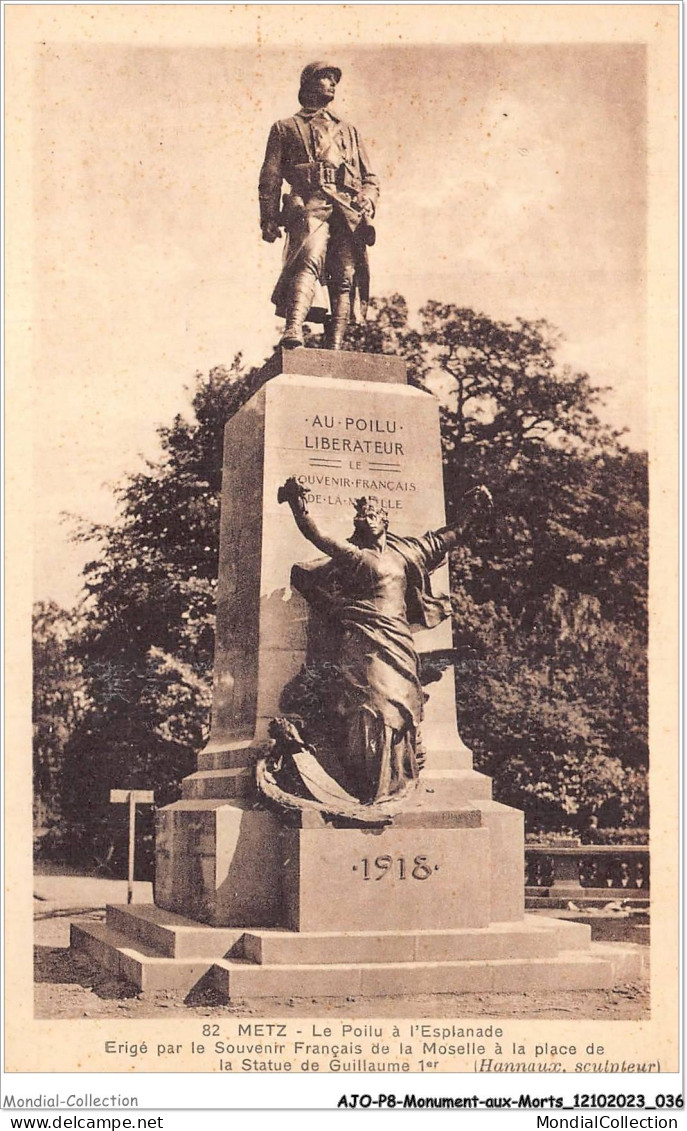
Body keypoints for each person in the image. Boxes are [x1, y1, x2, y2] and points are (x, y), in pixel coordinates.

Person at [278, 478, 493, 805]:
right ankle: (371, 787)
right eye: (362, 516)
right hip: (365, 645)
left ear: (385, 521)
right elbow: (316, 535)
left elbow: (446, 538)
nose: (367, 518)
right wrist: (297, 501)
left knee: (402, 707)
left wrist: (472, 514)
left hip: (400, 644)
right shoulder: (354, 556)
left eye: (374, 513)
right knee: (374, 708)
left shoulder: (407, 553)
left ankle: (400, 783)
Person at [259, 62, 380, 350]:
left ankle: (336, 344)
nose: (332, 83)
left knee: (345, 274)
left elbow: (371, 178)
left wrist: (368, 199)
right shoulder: (285, 127)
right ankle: (293, 329)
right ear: (308, 85)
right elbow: (271, 176)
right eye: (325, 78)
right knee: (307, 258)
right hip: (309, 203)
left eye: (334, 79)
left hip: (347, 208)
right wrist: (269, 217)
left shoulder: (348, 130)